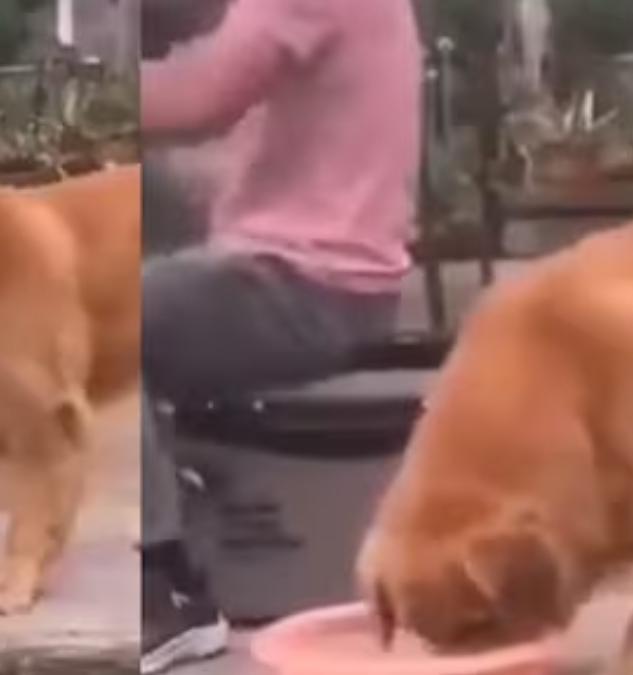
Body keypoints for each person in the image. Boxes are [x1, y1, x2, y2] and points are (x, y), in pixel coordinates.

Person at [139, 0, 423, 671]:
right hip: (326, 277)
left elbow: (197, 101)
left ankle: (163, 586)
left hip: (305, 282)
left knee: (115, 321)